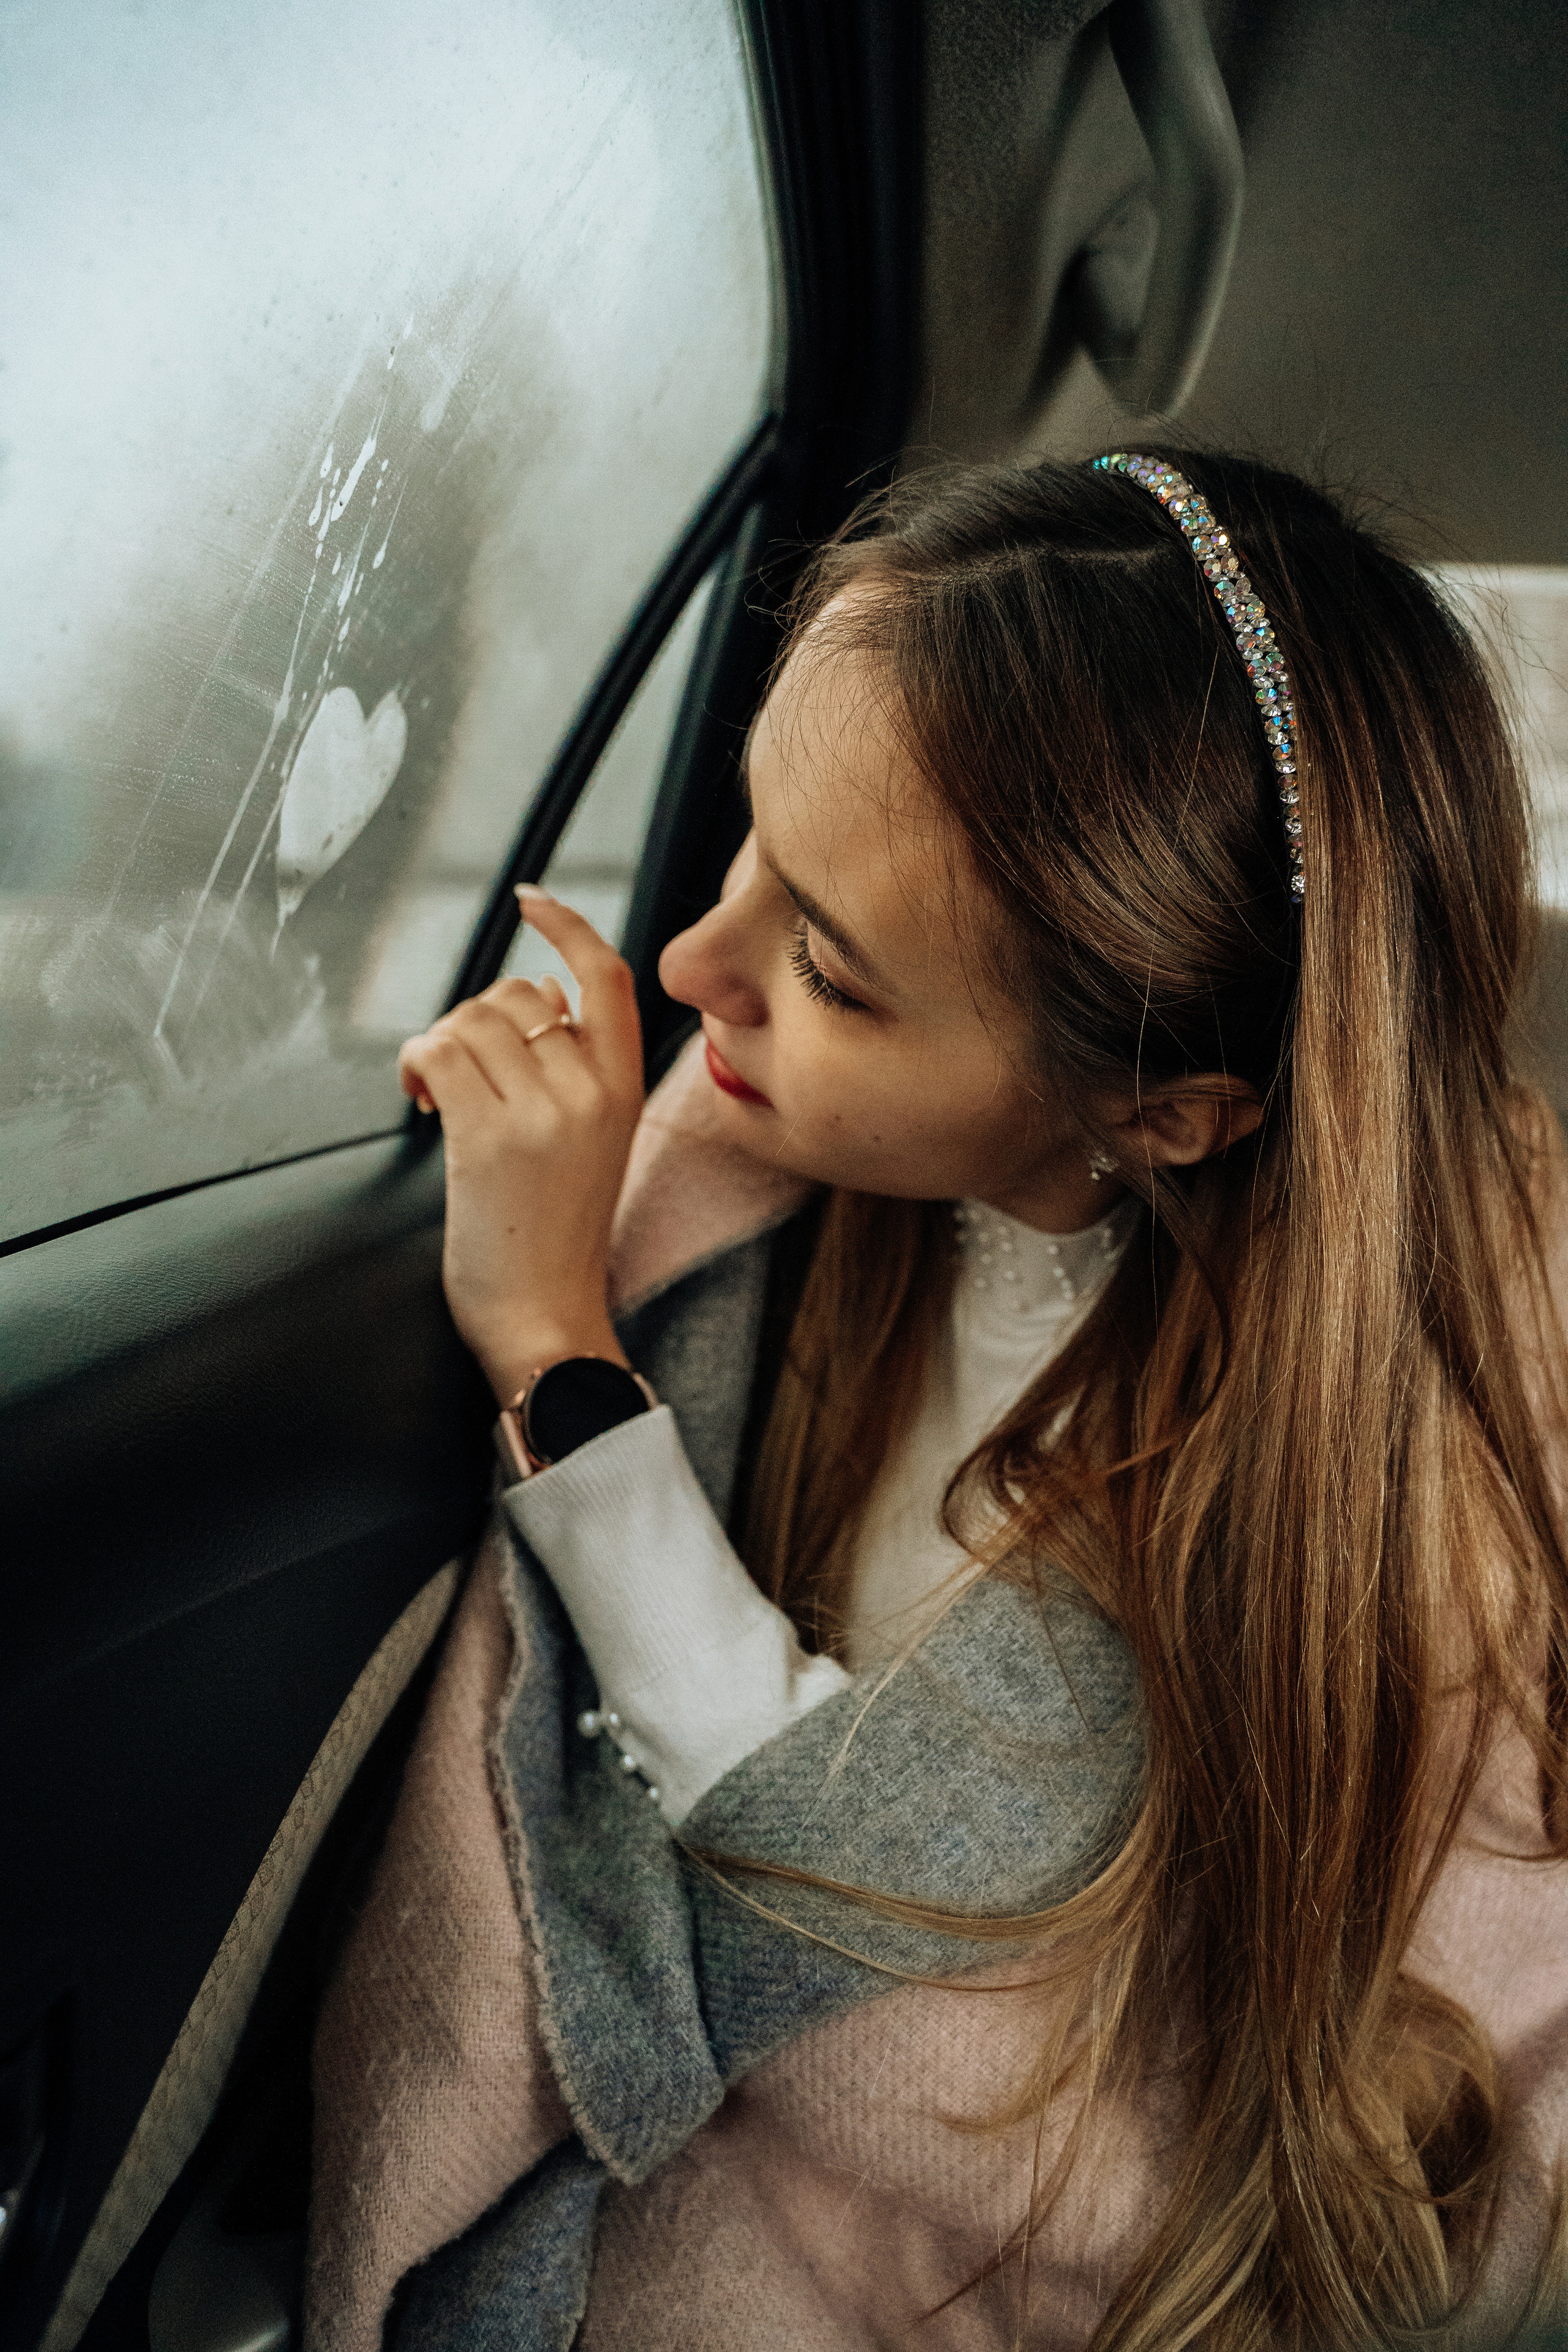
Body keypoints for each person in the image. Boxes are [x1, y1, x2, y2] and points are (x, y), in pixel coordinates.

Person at [306, 452, 1568, 2351]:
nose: (692, 964)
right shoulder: (826, 1207)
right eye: (749, 845)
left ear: (1159, 1116)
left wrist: (560, 1351)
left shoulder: (1366, 1489)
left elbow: (866, 1910)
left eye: (823, 966)